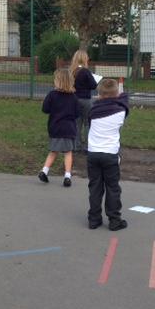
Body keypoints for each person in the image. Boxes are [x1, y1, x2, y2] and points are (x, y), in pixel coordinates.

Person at [87, 78, 129, 231]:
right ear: (116, 94)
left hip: (93, 153)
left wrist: (101, 99)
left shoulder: (93, 111)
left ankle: (94, 219)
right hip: (110, 154)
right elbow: (125, 99)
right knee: (112, 188)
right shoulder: (121, 111)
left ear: (99, 94)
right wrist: (118, 94)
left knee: (95, 187)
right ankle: (114, 220)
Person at [38, 68, 79, 187]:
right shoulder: (74, 97)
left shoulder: (52, 95)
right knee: (68, 152)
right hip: (69, 128)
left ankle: (44, 170)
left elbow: (45, 109)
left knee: (53, 151)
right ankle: (67, 176)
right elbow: (77, 114)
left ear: (57, 81)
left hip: (55, 127)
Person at [70, 50, 98, 152]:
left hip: (74, 99)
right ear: (84, 59)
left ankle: (76, 146)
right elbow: (94, 85)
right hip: (85, 99)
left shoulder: (72, 71)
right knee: (87, 123)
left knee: (77, 123)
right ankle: (87, 146)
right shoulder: (86, 71)